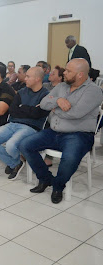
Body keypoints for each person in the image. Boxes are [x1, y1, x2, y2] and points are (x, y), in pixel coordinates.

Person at [19, 59, 103, 204]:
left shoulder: (94, 91)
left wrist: (54, 111)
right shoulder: (63, 86)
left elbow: (76, 113)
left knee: (69, 159)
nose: (64, 72)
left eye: (68, 71)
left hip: (79, 134)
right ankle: (46, 179)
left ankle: (58, 186)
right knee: (25, 145)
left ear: (80, 75)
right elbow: (44, 103)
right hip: (54, 131)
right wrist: (58, 101)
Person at [0, 67, 50, 180]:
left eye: (28, 76)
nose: (25, 78)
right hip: (13, 123)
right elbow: (12, 110)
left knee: (11, 145)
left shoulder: (46, 95)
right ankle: (15, 163)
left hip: (31, 127)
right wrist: (29, 109)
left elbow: (38, 114)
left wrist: (22, 108)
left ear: (38, 79)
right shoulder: (21, 92)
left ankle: (13, 163)